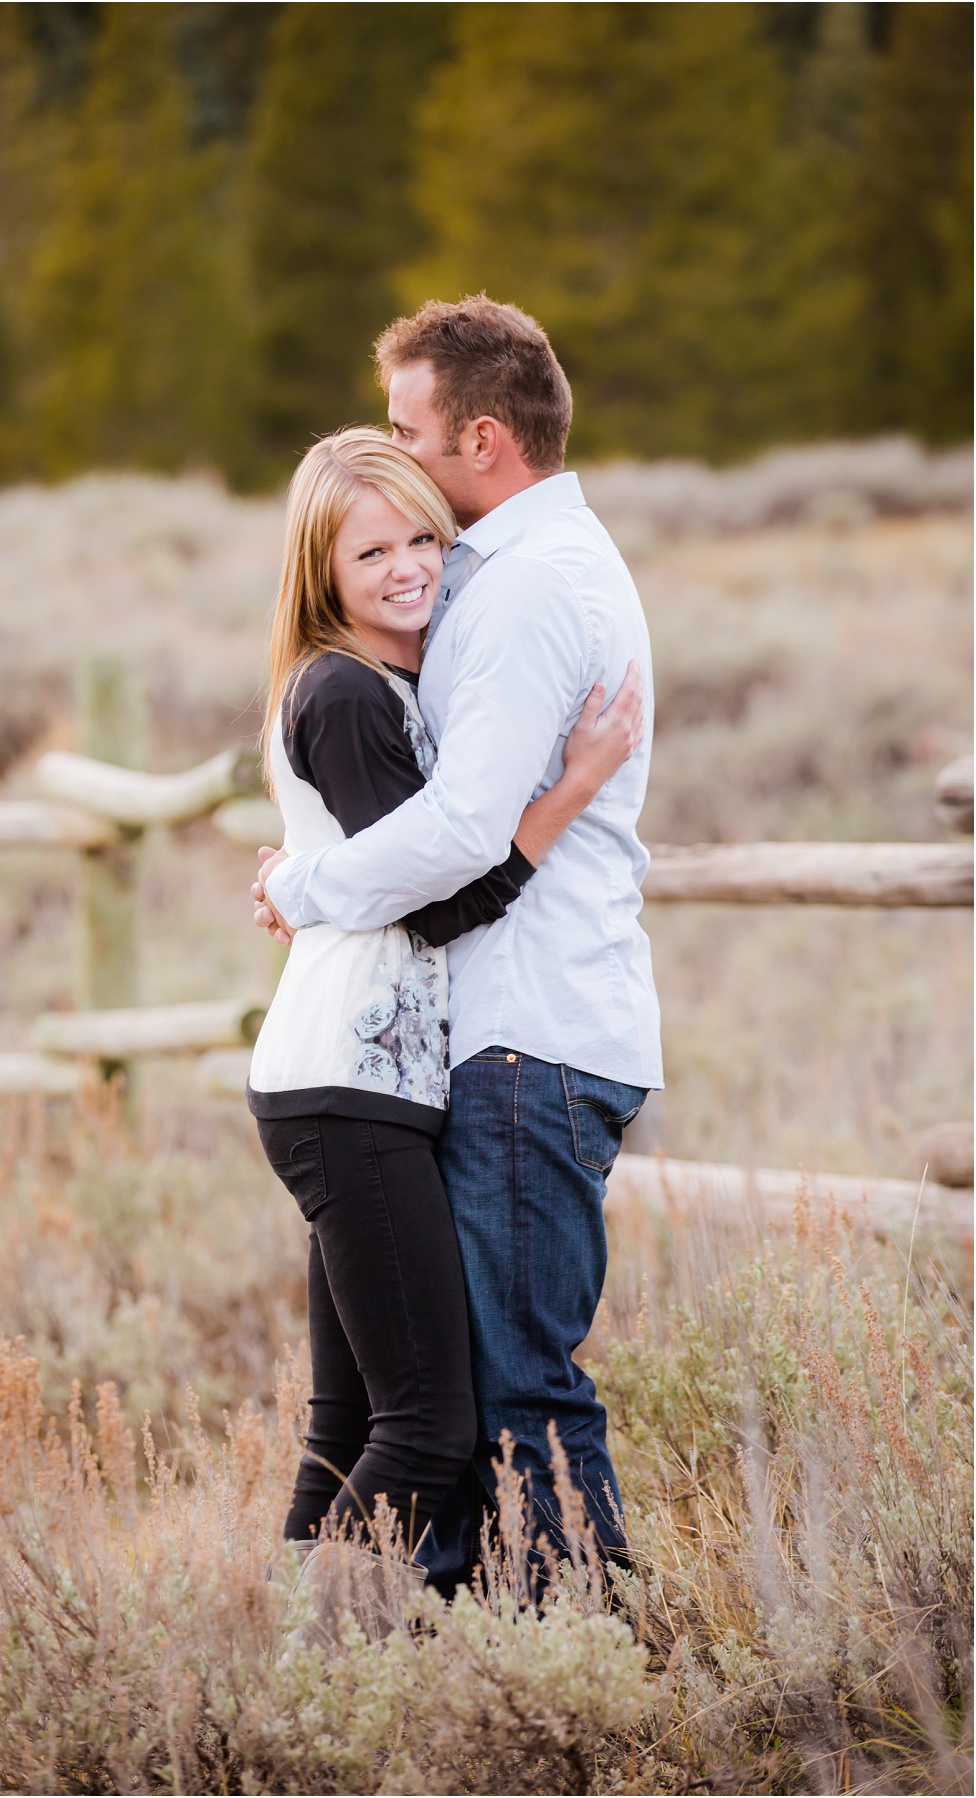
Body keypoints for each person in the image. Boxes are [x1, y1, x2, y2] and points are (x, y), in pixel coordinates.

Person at [254, 297, 663, 1592]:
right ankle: (442, 1654)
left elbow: (459, 837)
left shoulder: (526, 586)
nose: (396, 455)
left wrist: (310, 881)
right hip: (439, 1057)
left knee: (501, 1389)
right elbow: (443, 853)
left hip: (524, 1040)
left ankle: (570, 1662)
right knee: (451, 1401)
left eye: (407, 432)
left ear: (481, 438)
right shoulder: (487, 585)